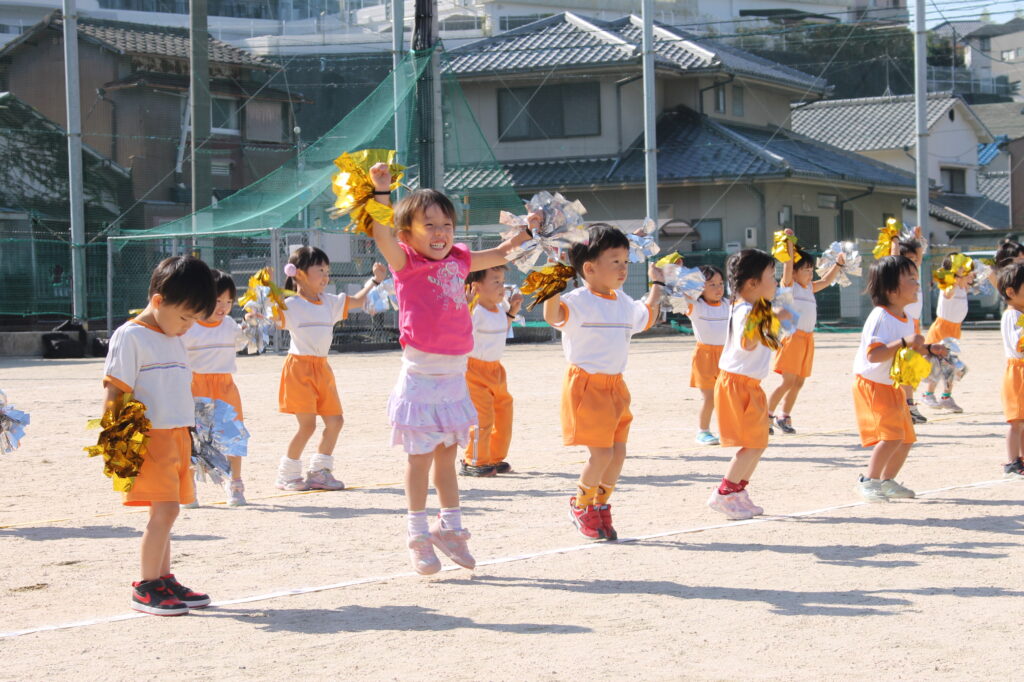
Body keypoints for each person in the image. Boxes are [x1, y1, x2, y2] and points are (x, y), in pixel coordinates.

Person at [368, 166, 533, 575]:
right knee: (419, 460)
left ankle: (450, 528)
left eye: (446, 224)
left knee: (446, 461)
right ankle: (417, 535)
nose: (440, 232)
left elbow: (501, 253)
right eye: (429, 225)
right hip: (421, 379)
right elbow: (381, 234)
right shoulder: (404, 261)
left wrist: (529, 231)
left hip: (454, 378)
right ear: (407, 234)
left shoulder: (460, 258)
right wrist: (382, 191)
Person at [103, 255, 217, 615]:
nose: (188, 327)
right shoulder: (130, 336)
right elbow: (115, 391)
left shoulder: (174, 336)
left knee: (168, 511)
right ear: (158, 301)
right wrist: (117, 443)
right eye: (185, 318)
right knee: (165, 511)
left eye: (194, 320)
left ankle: (163, 579)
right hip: (149, 439)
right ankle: (147, 585)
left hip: (177, 437)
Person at [542, 224, 663, 541]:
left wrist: (659, 284)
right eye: (615, 261)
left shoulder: (623, 301)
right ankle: (581, 505)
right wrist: (552, 283)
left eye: (625, 261)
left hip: (616, 387)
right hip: (586, 386)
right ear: (590, 268)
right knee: (601, 455)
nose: (623, 268)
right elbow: (553, 316)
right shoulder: (578, 300)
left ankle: (600, 504)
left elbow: (646, 317)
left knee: (618, 453)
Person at [274, 246, 385, 491]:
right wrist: (258, 305)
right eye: (320, 270)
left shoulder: (330, 302)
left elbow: (359, 300)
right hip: (299, 369)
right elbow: (270, 318)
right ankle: (287, 475)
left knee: (335, 421)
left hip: (322, 368)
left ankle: (320, 473)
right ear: (299, 273)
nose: (326, 276)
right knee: (308, 426)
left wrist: (375, 280)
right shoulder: (290, 305)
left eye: (327, 271)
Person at [852, 255, 945, 503]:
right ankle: (868, 481)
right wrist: (905, 341)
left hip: (892, 385)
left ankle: (887, 481)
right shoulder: (880, 317)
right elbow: (874, 355)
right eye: (911, 279)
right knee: (891, 436)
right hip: (873, 385)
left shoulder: (907, 317)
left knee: (906, 438)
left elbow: (910, 347)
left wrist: (930, 349)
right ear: (891, 290)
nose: (918, 283)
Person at [707, 248, 780, 520]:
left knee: (759, 442)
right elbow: (747, 343)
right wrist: (767, 317)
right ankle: (724, 493)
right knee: (752, 444)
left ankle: (738, 491)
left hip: (749, 384)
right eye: (771, 276)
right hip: (736, 384)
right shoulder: (747, 310)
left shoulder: (755, 309)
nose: (776, 282)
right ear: (752, 283)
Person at [182, 268, 248, 506]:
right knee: (195, 439)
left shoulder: (229, 324)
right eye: (218, 300)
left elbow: (241, 343)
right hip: (196, 387)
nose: (223, 307)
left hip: (225, 386)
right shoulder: (190, 327)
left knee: (233, 435)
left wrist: (249, 328)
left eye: (229, 302)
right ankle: (188, 489)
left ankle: (235, 484)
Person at [767, 241, 843, 434]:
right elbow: (787, 266)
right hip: (792, 338)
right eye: (806, 270)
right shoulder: (790, 287)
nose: (810, 274)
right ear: (794, 273)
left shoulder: (809, 287)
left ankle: (783, 416)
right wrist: (789, 246)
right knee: (788, 381)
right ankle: (766, 415)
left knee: (799, 382)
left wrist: (838, 265)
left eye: (811, 270)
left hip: (807, 339)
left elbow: (826, 281)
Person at [460, 265, 523, 477]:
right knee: (482, 417)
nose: (502, 287)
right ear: (476, 287)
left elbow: (501, 329)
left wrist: (512, 312)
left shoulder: (499, 308)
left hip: (496, 369)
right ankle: (473, 461)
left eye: (502, 281)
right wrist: (465, 307)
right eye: (496, 282)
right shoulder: (474, 310)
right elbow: (460, 330)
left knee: (503, 411)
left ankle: (493, 457)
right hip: (474, 370)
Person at [682, 265, 729, 446]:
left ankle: (730, 430)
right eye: (712, 284)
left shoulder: (728, 305)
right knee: (709, 397)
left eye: (720, 283)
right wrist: (678, 272)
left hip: (727, 355)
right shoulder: (696, 306)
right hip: (705, 356)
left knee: (727, 396)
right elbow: (680, 297)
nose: (718, 288)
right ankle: (703, 431)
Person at [920, 253, 970, 413]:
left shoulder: (963, 285)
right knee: (937, 363)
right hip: (942, 328)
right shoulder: (948, 284)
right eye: (961, 266)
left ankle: (946, 397)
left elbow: (972, 280)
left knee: (950, 364)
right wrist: (954, 279)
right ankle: (928, 394)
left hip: (955, 329)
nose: (965, 269)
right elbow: (948, 293)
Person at [891, 229, 929, 424]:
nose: (914, 261)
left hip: (914, 325)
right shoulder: (899, 275)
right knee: (904, 368)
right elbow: (894, 257)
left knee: (911, 369)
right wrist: (894, 239)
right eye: (909, 259)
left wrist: (916, 239)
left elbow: (919, 254)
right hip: (903, 324)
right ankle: (908, 406)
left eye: (914, 258)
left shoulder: (914, 274)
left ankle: (908, 406)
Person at [997, 263, 1024, 478]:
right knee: (1016, 422)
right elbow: (1019, 343)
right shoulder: (1013, 315)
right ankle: (1013, 461)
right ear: (1011, 292)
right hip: (1018, 372)